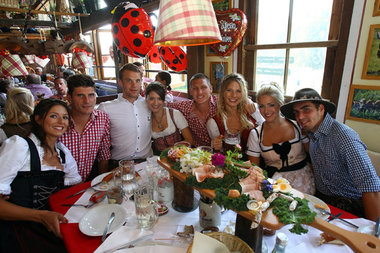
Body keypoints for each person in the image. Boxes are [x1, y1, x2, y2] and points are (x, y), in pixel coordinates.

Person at [280, 88, 380, 220]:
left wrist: (373, 233)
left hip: (349, 206)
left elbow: (371, 187)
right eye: (296, 112)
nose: (300, 117)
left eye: (306, 109)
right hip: (321, 201)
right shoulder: (311, 131)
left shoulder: (344, 137)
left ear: (321, 109)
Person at [0, 98, 81, 252]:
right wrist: (41, 216)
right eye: (53, 116)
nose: (61, 121)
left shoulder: (62, 152)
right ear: (38, 119)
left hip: (49, 224)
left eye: (64, 117)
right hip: (17, 231)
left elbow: (74, 188)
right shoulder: (19, 146)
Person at [246, 83, 315, 195]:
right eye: (262, 106)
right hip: (275, 184)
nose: (266, 111)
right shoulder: (256, 134)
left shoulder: (297, 125)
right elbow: (255, 170)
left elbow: (313, 153)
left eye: (271, 105)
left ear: (280, 104)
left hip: (304, 181)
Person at [167, 73, 260, 147]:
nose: (199, 92)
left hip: (220, 152)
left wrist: (248, 101)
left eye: (203, 87)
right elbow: (164, 105)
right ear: (190, 91)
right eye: (195, 88)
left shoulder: (221, 102)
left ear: (210, 89)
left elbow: (235, 98)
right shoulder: (185, 107)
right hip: (198, 152)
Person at [98, 63, 152, 166]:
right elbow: (100, 145)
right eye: (129, 80)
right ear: (120, 82)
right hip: (118, 165)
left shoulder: (149, 104)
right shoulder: (106, 108)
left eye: (137, 81)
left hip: (147, 164)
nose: (134, 85)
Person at [59, 74, 111, 181]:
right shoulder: (58, 122)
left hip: (87, 184)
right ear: (69, 97)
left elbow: (104, 154)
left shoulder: (102, 118)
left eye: (91, 95)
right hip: (59, 187)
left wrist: (102, 183)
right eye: (80, 95)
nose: (87, 101)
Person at [207, 73, 263, 155]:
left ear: (243, 93)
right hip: (231, 165)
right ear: (223, 93)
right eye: (229, 90)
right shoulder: (213, 123)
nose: (234, 95)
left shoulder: (252, 111)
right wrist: (216, 147)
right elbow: (219, 155)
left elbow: (266, 130)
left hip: (256, 163)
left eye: (238, 91)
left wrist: (256, 114)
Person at [145, 82, 193, 155]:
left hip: (179, 155)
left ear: (164, 100)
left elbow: (189, 140)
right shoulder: (145, 118)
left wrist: (172, 149)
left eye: (159, 99)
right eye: (152, 98)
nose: (155, 103)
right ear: (146, 99)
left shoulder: (174, 114)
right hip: (158, 158)